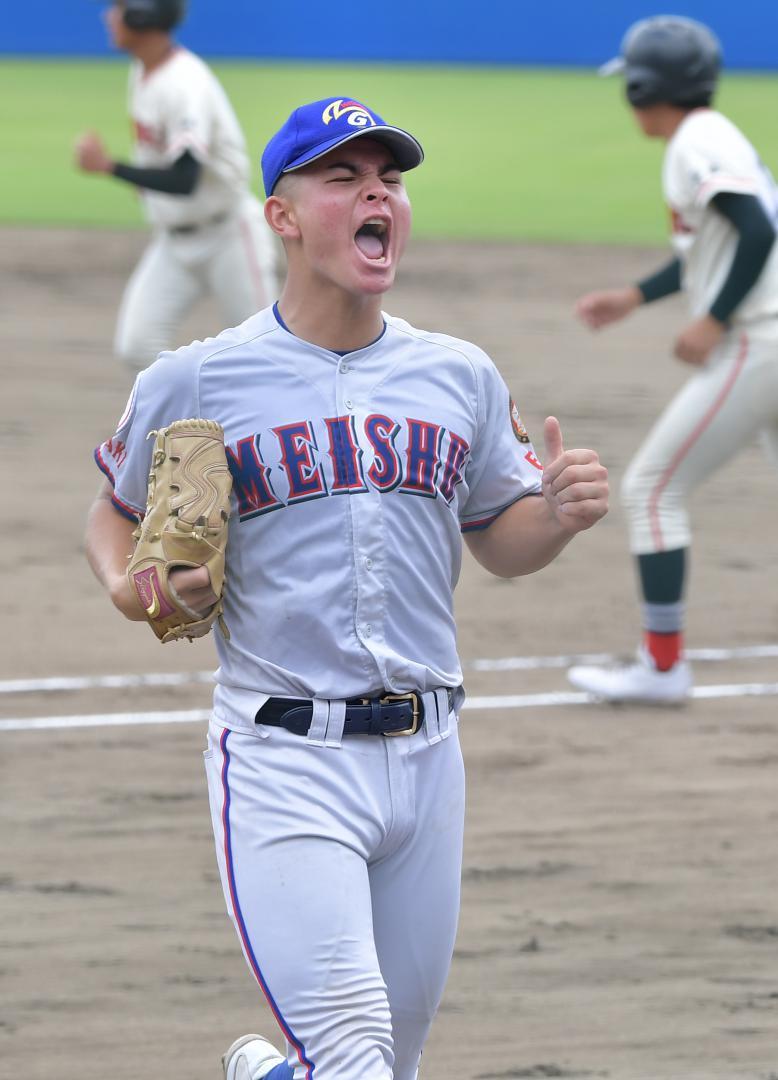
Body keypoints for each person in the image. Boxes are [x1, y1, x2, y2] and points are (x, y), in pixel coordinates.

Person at [85, 95, 609, 1080]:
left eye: (390, 180)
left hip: (431, 756)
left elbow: (499, 540)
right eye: (344, 178)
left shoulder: (458, 375)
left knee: (386, 1066)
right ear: (280, 215)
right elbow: (113, 515)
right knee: (354, 1055)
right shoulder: (198, 381)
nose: (378, 195)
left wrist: (557, 514)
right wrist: (133, 589)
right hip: (285, 760)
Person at [567, 15, 778, 705]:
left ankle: (662, 670)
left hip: (760, 340)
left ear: (643, 87)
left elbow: (758, 230)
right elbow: (717, 247)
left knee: (652, 490)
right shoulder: (710, 136)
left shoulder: (696, 142)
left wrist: (715, 320)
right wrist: (634, 296)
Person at [74, 0, 276, 374]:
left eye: (118, 7)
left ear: (141, 15)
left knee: (265, 353)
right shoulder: (143, 69)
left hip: (229, 236)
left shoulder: (186, 82)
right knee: (137, 347)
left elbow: (185, 178)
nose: (108, 15)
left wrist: (109, 167)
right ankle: (195, 411)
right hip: (173, 241)